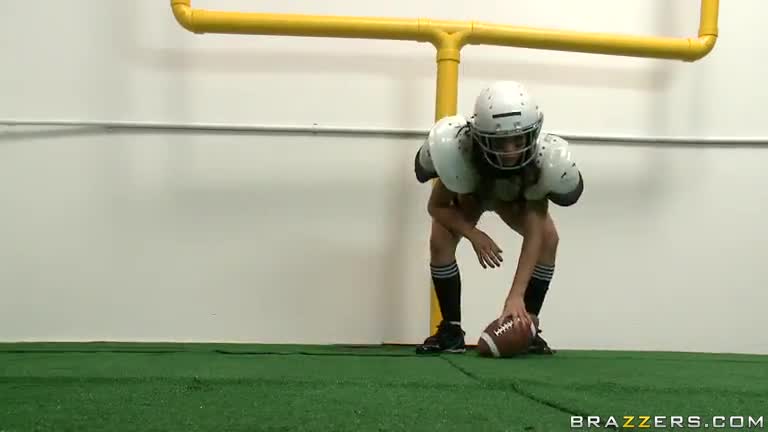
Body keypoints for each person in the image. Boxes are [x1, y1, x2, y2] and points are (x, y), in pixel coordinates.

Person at [412, 80, 584, 355]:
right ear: (479, 136)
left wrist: (515, 296)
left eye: (518, 140)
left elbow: (535, 233)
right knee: (440, 238)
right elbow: (436, 206)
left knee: (549, 238)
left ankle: (527, 325)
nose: (510, 150)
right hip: (473, 195)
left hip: (512, 200)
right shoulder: (460, 152)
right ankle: (451, 330)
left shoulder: (541, 162)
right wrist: (473, 234)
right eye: (500, 142)